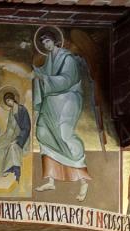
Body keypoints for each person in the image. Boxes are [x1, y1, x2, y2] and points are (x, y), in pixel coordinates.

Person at [33, 28, 91, 202]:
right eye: (43, 43)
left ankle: (83, 179)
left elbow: (67, 79)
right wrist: (38, 76)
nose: (46, 45)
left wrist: (44, 79)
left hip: (67, 100)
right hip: (51, 103)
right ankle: (50, 179)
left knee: (65, 136)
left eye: (48, 41)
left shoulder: (67, 58)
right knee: (43, 133)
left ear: (55, 41)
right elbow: (41, 78)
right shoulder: (49, 60)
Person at [0, 90, 31, 185]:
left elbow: (26, 128)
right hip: (10, 136)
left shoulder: (22, 109)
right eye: (7, 102)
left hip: (22, 138)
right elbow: (9, 130)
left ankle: (9, 170)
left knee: (12, 148)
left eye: (9, 100)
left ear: (13, 99)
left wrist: (17, 140)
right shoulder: (11, 112)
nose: (8, 103)